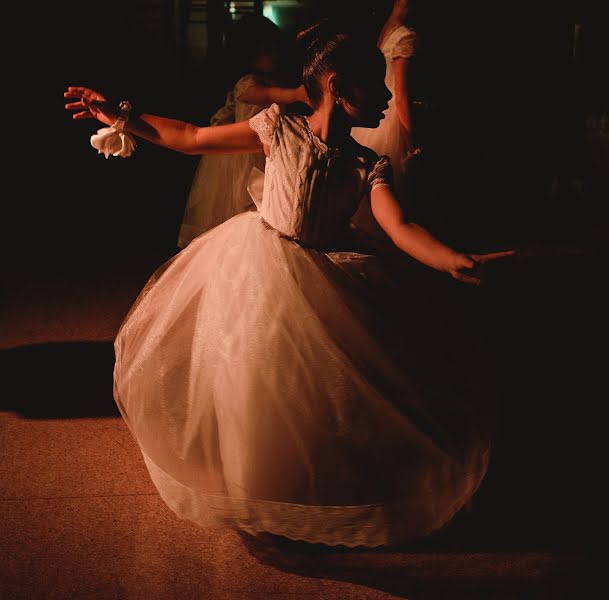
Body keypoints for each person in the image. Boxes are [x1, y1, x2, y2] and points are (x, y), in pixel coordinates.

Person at [63, 23, 512, 548]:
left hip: (327, 277)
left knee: (321, 391)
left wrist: (449, 259)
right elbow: (189, 137)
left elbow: (400, 227)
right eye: (377, 83)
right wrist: (119, 115)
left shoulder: (368, 164)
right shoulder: (278, 127)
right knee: (255, 379)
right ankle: (258, 487)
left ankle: (309, 486)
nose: (390, 96)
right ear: (340, 88)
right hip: (257, 267)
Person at [177, 14, 310, 249]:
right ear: (250, 53)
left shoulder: (275, 79)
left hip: (271, 154)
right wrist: (297, 94)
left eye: (275, 45)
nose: (275, 52)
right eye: (267, 48)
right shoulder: (247, 83)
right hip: (245, 158)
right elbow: (267, 96)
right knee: (241, 205)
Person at [348, 0, 421, 252]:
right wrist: (412, 142)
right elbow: (401, 95)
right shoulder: (406, 36)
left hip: (375, 116)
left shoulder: (387, 30)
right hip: (390, 117)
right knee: (397, 186)